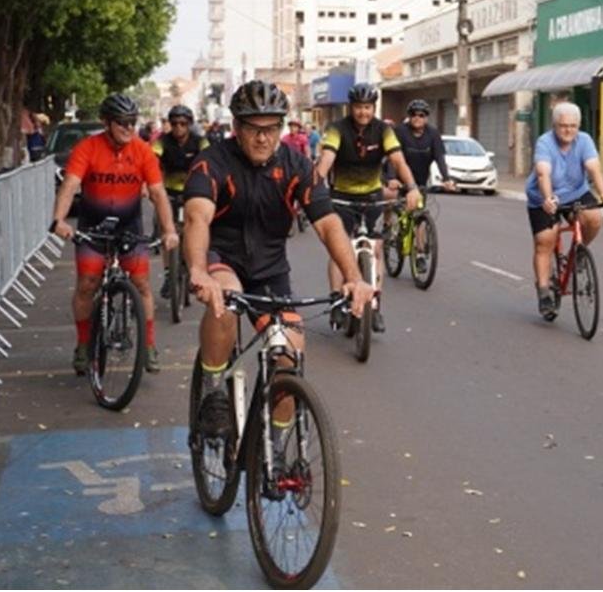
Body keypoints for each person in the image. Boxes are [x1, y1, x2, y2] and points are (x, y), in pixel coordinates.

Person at [183, 80, 374, 441]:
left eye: (271, 128)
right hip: (221, 258)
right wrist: (196, 270)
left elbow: (328, 222)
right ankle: (212, 388)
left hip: (270, 269)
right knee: (226, 301)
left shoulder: (297, 165)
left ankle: (275, 448)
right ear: (236, 128)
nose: (262, 138)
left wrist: (353, 276)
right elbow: (196, 217)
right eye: (253, 128)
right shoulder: (212, 163)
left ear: (281, 129)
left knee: (290, 354)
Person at [49, 93, 180, 375]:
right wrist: (59, 220)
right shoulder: (88, 148)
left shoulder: (142, 150)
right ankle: (84, 345)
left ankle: (149, 346)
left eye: (132, 122)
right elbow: (70, 185)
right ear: (106, 123)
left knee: (142, 284)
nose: (128, 128)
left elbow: (157, 192)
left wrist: (169, 231)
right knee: (87, 283)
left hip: (130, 227)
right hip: (92, 227)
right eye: (121, 123)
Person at [315, 83, 421, 333]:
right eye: (359, 107)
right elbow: (326, 161)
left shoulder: (384, 130)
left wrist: (412, 187)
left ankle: (375, 305)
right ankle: (335, 300)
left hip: (372, 197)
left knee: (376, 249)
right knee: (338, 249)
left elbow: (398, 160)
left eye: (367, 107)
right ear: (350, 107)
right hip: (341, 197)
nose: (363, 112)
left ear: (373, 108)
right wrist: (315, 189)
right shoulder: (336, 129)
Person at [525, 102, 603, 319]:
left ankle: (577, 256)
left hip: (576, 191)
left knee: (594, 217)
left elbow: (594, 168)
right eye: (563, 125)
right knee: (545, 241)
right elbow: (543, 174)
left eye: (573, 126)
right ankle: (544, 291)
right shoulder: (545, 143)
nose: (568, 131)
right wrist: (548, 199)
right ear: (554, 125)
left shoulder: (584, 140)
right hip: (544, 197)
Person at [151, 104, 208, 298]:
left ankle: (195, 269)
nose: (178, 128)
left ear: (189, 124)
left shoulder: (200, 142)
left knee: (195, 227)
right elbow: (152, 158)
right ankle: (169, 274)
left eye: (183, 124)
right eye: (174, 123)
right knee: (167, 231)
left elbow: (211, 160)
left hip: (193, 192)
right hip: (169, 191)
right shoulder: (162, 142)